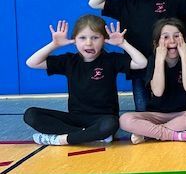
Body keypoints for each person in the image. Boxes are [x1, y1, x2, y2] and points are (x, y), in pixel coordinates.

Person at [23, 15, 147, 145]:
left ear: (104, 39)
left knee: (111, 124)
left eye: (95, 38)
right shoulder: (69, 61)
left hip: (102, 119)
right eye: (82, 38)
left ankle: (62, 139)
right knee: (31, 114)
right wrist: (54, 45)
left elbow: (142, 63)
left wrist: (123, 44)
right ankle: (89, 135)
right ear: (74, 40)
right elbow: (32, 63)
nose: (88, 43)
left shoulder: (111, 60)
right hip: (75, 119)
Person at [119, 19, 186, 144]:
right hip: (154, 115)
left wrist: (185, 55)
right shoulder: (153, 60)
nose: (172, 41)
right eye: (166, 37)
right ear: (157, 43)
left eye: (177, 36)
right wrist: (159, 58)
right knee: (124, 119)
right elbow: (158, 91)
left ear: (184, 41)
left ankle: (149, 134)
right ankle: (176, 135)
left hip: (180, 115)